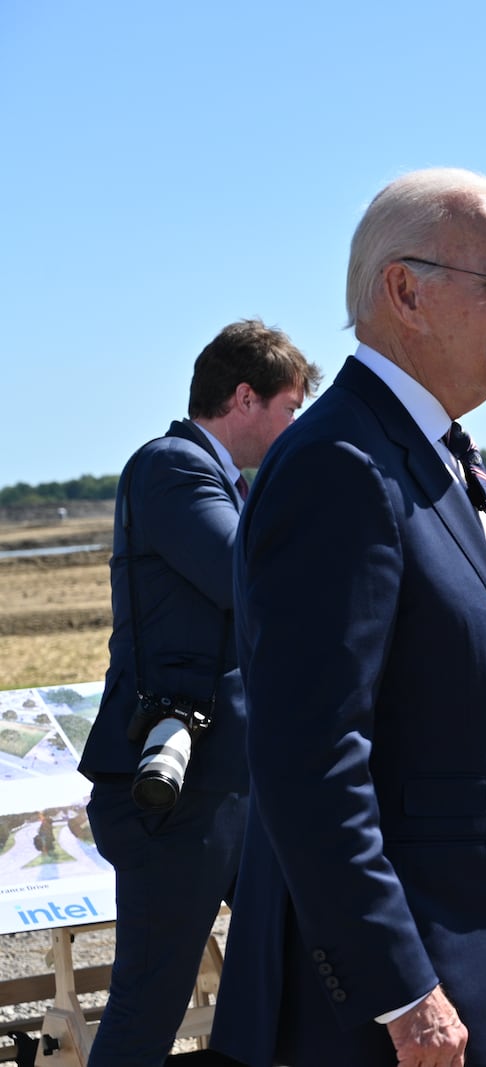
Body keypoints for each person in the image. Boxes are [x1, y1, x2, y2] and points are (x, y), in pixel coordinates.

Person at [208, 168, 486, 1067]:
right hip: (396, 1020)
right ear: (404, 292)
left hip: (477, 986)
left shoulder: (435, 454)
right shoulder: (340, 467)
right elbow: (312, 761)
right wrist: (401, 991)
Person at [79, 318, 320, 1067]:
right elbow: (250, 578)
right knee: (150, 1007)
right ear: (243, 397)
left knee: (294, 983)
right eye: (289, 410)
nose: (295, 430)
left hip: (229, 788)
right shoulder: (173, 467)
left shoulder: (223, 481)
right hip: (177, 799)